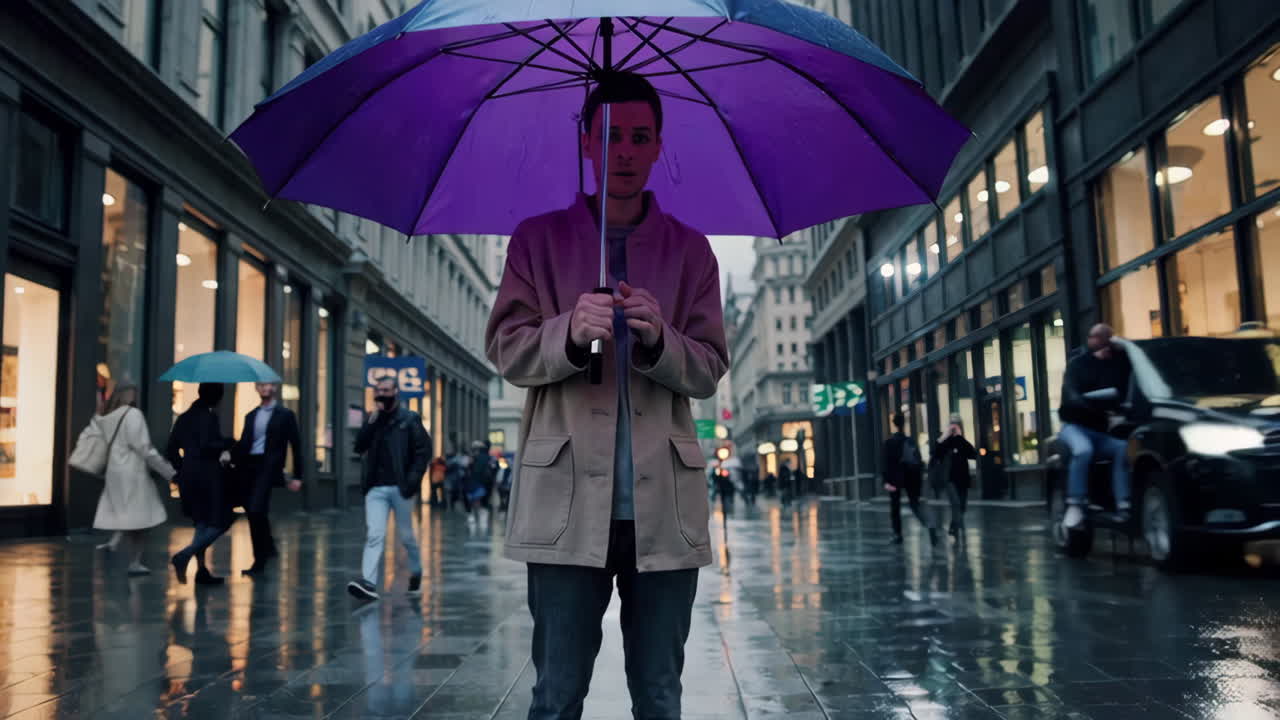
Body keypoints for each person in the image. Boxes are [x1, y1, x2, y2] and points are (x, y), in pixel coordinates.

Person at [485, 71, 729, 719]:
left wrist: (661, 338)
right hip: (563, 504)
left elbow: (709, 368)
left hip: (663, 506)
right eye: (612, 136)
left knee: (659, 695)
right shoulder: (537, 240)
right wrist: (568, 330)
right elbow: (507, 349)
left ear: (658, 148)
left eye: (640, 138)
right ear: (587, 143)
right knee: (556, 694)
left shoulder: (691, 251)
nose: (625, 152)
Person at [347, 377, 431, 602]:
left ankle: (416, 571)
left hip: (400, 487)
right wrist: (371, 421)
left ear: (396, 392)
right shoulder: (373, 419)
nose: (382, 394)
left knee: (406, 536)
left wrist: (412, 481)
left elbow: (423, 451)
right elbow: (359, 446)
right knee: (375, 535)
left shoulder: (409, 419)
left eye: (386, 390)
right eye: (379, 390)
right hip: (376, 489)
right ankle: (368, 583)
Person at [91, 384, 176, 576]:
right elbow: (144, 448)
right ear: (130, 396)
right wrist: (169, 472)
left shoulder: (106, 417)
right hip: (133, 472)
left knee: (126, 511)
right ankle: (135, 562)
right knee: (141, 519)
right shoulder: (133, 415)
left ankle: (114, 541)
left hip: (114, 472)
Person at [1058, 323, 1132, 528]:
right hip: (1073, 426)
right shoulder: (1078, 364)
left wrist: (1123, 346)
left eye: (1099, 336)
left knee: (1122, 449)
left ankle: (1123, 503)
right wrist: (1084, 401)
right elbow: (1071, 391)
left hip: (1098, 430)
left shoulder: (1117, 364)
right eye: (1093, 336)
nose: (1093, 340)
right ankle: (1075, 503)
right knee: (1083, 450)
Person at [231, 382, 302, 576]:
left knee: (256, 510)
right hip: (248, 467)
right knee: (255, 510)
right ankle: (268, 546)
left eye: (268, 385)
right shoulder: (251, 415)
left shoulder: (285, 415)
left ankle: (259, 562)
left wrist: (298, 476)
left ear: (275, 388)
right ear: (257, 389)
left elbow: (296, 445)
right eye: (261, 385)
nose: (265, 388)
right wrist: (229, 454)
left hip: (268, 468)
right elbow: (244, 443)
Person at [167, 383, 235, 584]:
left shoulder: (184, 417)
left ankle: (201, 571)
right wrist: (227, 442)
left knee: (201, 523)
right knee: (222, 521)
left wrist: (181, 470)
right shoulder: (210, 417)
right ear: (217, 398)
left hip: (189, 477)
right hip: (208, 476)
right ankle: (184, 555)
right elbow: (207, 446)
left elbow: (171, 448)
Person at [882, 413, 939, 547]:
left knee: (895, 507)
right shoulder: (910, 441)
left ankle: (897, 535)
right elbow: (918, 461)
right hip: (911, 477)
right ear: (904, 424)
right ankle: (929, 525)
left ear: (894, 424)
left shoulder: (889, 442)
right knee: (915, 504)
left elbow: (886, 464)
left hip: (895, 478)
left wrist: (885, 480)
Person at [931, 414, 978, 544]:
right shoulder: (945, 442)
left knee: (962, 507)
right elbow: (935, 453)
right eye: (952, 424)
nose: (954, 427)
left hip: (963, 478)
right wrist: (943, 436)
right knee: (956, 504)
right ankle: (956, 530)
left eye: (956, 424)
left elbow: (973, 454)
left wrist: (960, 436)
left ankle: (954, 527)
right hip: (949, 479)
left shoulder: (961, 441)